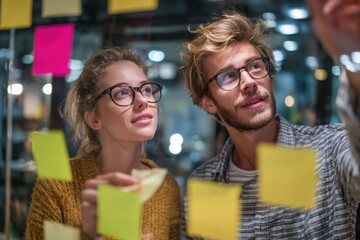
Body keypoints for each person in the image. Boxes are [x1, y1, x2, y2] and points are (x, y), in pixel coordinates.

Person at [181, 0, 360, 238]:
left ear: (271, 79)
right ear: (208, 102)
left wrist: (352, 54)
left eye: (255, 66)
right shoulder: (204, 185)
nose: (249, 82)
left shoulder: (328, 149)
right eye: (228, 76)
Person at [25, 47, 180, 239]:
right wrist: (88, 235)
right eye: (122, 93)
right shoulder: (57, 186)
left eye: (146, 89)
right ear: (93, 119)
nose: (142, 100)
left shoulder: (167, 188)